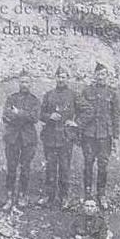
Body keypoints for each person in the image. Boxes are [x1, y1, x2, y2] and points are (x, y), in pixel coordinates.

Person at [75, 62, 120, 208]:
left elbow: (116, 116)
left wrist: (115, 136)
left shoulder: (112, 93)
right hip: (89, 134)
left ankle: (101, 194)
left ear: (107, 76)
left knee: (103, 166)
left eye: (104, 74)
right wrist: (79, 130)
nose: (101, 77)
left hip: (105, 135)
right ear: (95, 76)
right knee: (88, 164)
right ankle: (88, 193)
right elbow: (80, 111)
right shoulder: (87, 91)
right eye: (99, 74)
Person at [39, 66, 78, 209]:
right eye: (58, 77)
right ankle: (49, 196)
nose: (61, 79)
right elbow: (40, 114)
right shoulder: (49, 95)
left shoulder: (73, 95)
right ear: (55, 78)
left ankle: (64, 197)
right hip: (50, 137)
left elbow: (87, 110)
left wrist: (76, 122)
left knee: (64, 168)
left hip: (66, 138)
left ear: (67, 78)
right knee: (50, 167)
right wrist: (50, 116)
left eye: (63, 77)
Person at [2, 74, 40, 209]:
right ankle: (9, 196)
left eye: (27, 82)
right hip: (12, 138)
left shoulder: (34, 100)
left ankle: (23, 194)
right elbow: (5, 116)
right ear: (19, 83)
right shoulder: (11, 98)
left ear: (30, 84)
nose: (24, 84)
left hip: (28, 139)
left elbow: (35, 117)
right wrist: (24, 115)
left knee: (25, 168)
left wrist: (18, 113)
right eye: (22, 82)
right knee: (11, 168)